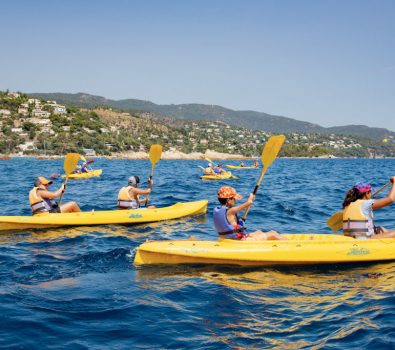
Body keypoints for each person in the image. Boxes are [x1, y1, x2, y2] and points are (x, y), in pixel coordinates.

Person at [213, 186, 286, 241]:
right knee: (272, 234)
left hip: (229, 239)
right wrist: (251, 197)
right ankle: (291, 245)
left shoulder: (219, 210)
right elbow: (249, 203)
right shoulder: (231, 211)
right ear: (228, 200)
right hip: (239, 241)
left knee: (259, 231)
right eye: (234, 198)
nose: (235, 200)